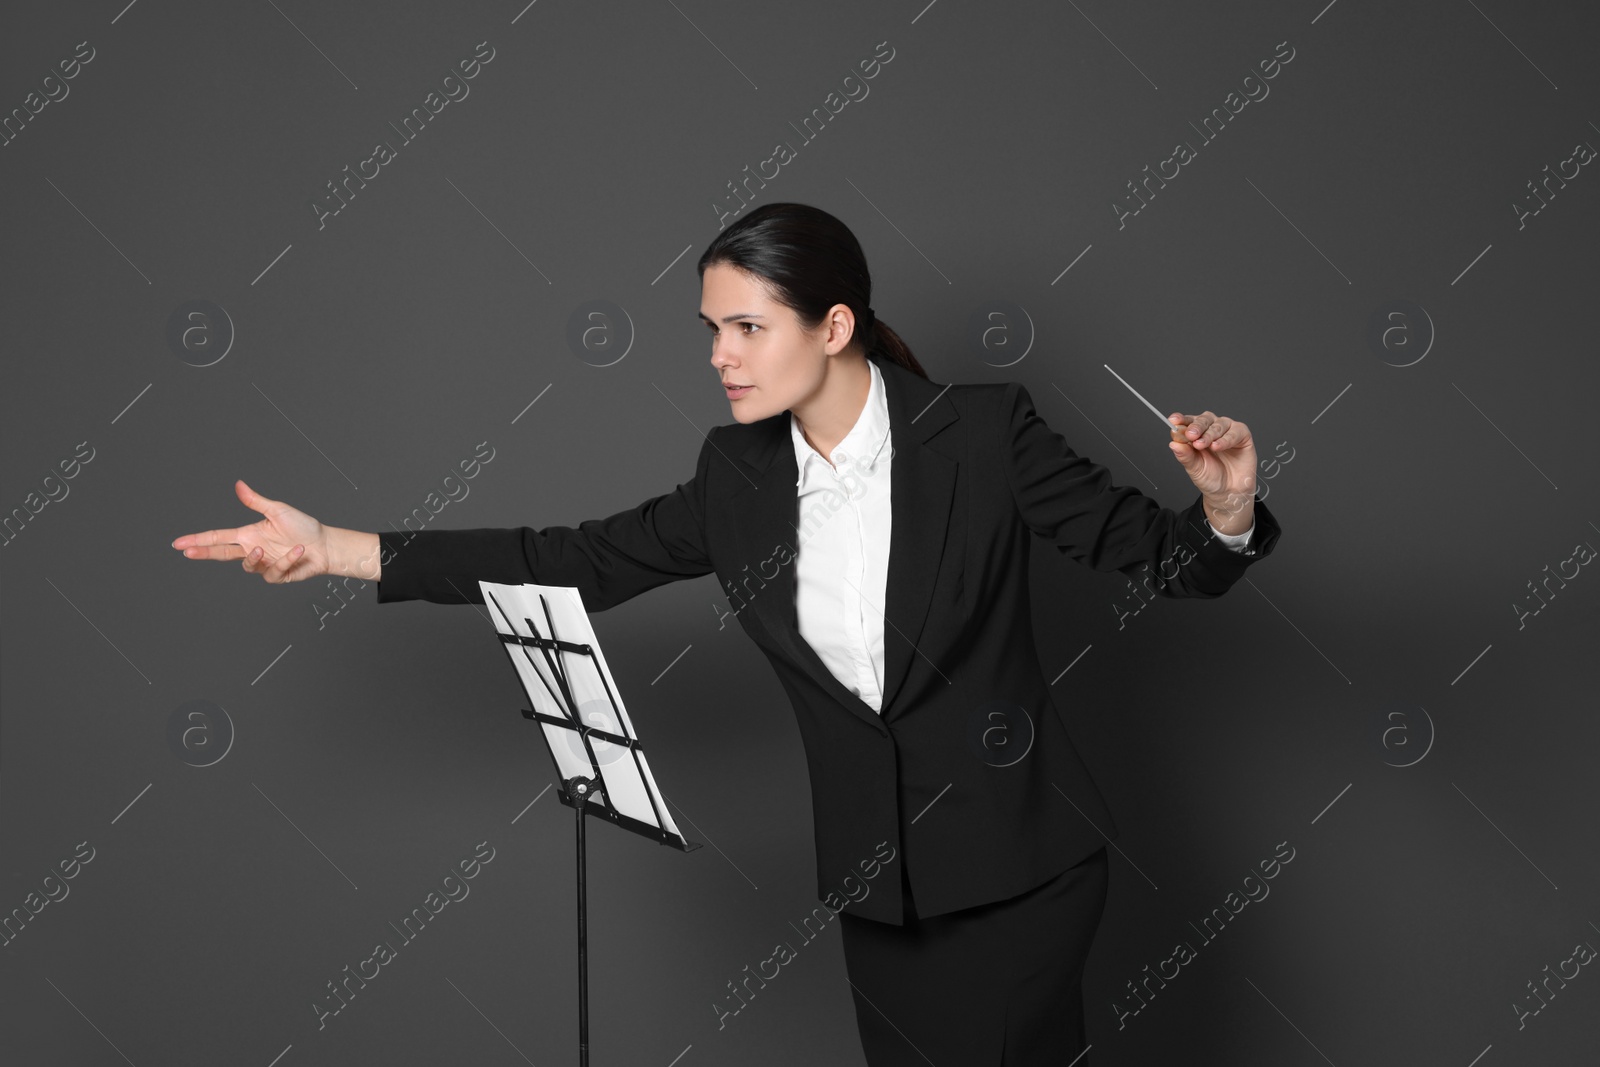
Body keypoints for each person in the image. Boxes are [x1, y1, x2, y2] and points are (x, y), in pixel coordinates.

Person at [172, 202, 1280, 1065]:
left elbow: (1159, 558)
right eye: (713, 330)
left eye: (747, 327)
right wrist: (337, 547)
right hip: (878, 882)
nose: (721, 354)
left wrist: (1224, 508)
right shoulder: (737, 474)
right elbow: (578, 557)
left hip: (1018, 868)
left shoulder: (984, 434)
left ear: (833, 326)